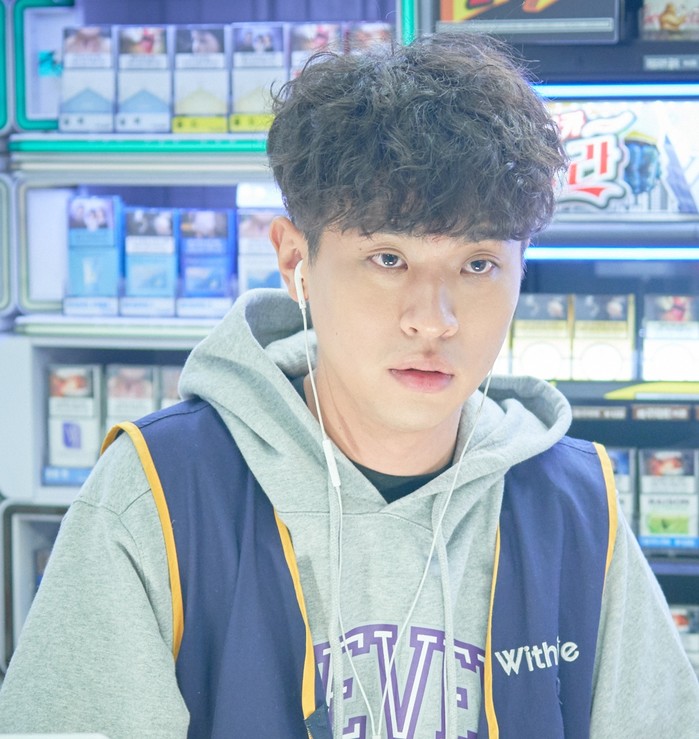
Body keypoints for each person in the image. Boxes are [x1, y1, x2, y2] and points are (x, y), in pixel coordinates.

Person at [1, 32, 698, 739]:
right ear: (295, 260)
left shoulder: (579, 507)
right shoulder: (159, 492)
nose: (434, 319)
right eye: (387, 257)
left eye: (478, 264)